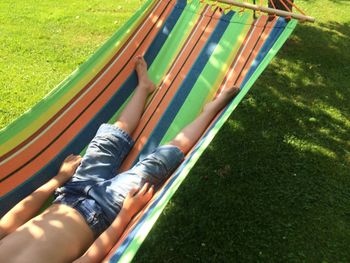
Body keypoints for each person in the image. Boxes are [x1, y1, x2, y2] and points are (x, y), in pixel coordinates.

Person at [0, 56, 239, 263]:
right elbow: (90, 257)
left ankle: (143, 87)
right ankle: (209, 111)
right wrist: (126, 214)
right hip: (104, 210)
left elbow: (19, 213)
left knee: (109, 138)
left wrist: (60, 177)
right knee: (157, 163)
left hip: (69, 191)